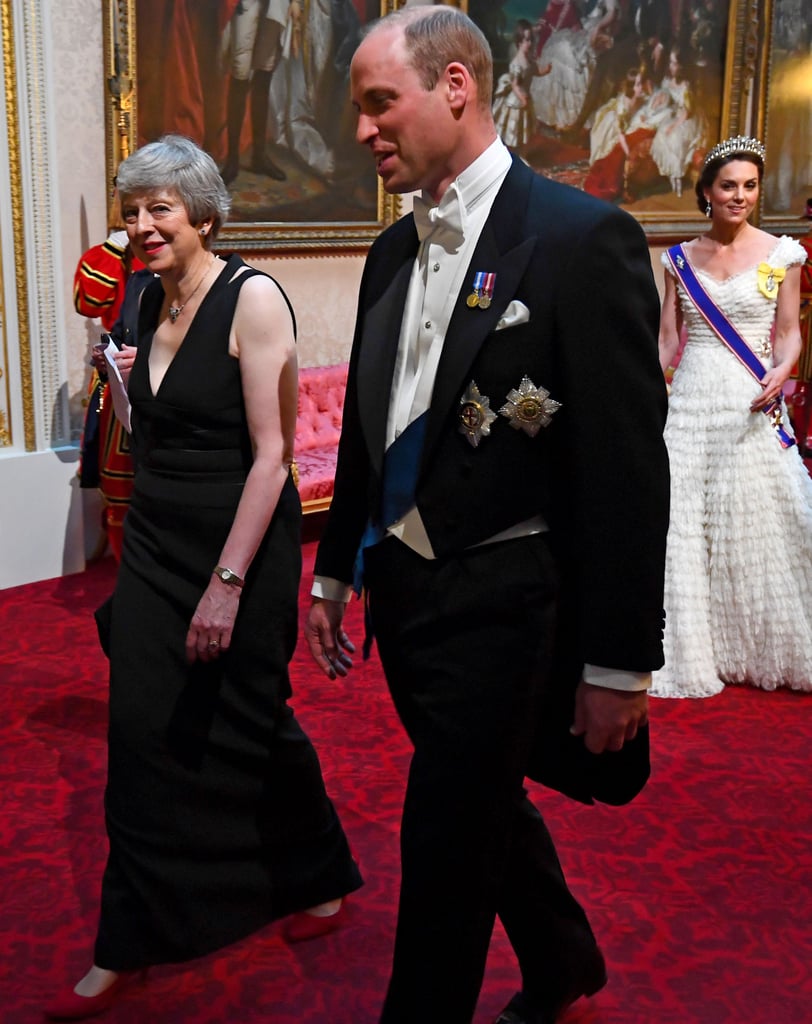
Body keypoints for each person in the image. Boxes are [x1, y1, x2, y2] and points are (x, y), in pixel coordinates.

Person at [304, 9, 669, 1024]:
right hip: (407, 600)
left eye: (381, 104)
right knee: (481, 803)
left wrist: (614, 663)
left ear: (455, 84)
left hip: (509, 607)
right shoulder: (388, 250)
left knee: (444, 844)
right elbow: (372, 433)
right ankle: (562, 962)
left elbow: (626, 472)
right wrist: (335, 570)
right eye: (358, 112)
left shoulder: (577, 236)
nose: (364, 131)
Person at [45, 134, 362, 1021]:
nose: (142, 227)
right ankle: (128, 938)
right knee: (142, 734)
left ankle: (318, 871)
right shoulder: (144, 298)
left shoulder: (253, 300)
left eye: (161, 209)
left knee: (251, 722)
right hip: (154, 540)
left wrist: (226, 582)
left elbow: (272, 461)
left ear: (207, 215)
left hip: (241, 543)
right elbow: (156, 433)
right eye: (133, 210)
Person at [651, 137, 812, 699]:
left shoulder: (782, 254)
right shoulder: (677, 259)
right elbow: (668, 341)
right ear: (706, 193)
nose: (739, 196)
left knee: (755, 520)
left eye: (749, 186)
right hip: (691, 403)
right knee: (683, 524)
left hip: (749, 400)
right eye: (728, 186)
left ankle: (754, 641)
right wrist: (643, 400)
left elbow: (789, 333)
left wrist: (782, 370)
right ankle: (696, 648)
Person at [74, 226, 147, 561]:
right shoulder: (117, 258)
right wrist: (114, 247)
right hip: (118, 382)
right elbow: (88, 301)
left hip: (165, 385)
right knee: (118, 485)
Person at [491, 20, 550, 158]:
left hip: (525, 101)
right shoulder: (517, 63)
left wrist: (545, 71)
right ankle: (507, 155)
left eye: (531, 40)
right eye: (526, 40)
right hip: (516, 103)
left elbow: (534, 71)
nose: (529, 44)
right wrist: (522, 97)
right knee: (513, 131)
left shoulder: (528, 59)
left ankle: (521, 154)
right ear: (519, 42)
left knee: (524, 132)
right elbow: (515, 84)